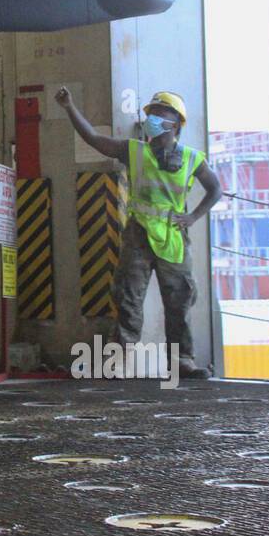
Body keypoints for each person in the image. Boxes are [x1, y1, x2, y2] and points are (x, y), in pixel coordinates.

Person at [56, 87, 221, 379]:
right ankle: (118, 361)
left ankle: (182, 360)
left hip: (173, 237)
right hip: (139, 234)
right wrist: (69, 106)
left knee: (179, 299)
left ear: (176, 124)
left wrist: (193, 216)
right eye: (151, 115)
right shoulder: (134, 151)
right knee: (128, 297)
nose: (153, 120)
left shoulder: (193, 159)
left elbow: (215, 189)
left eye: (160, 115)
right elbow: (94, 140)